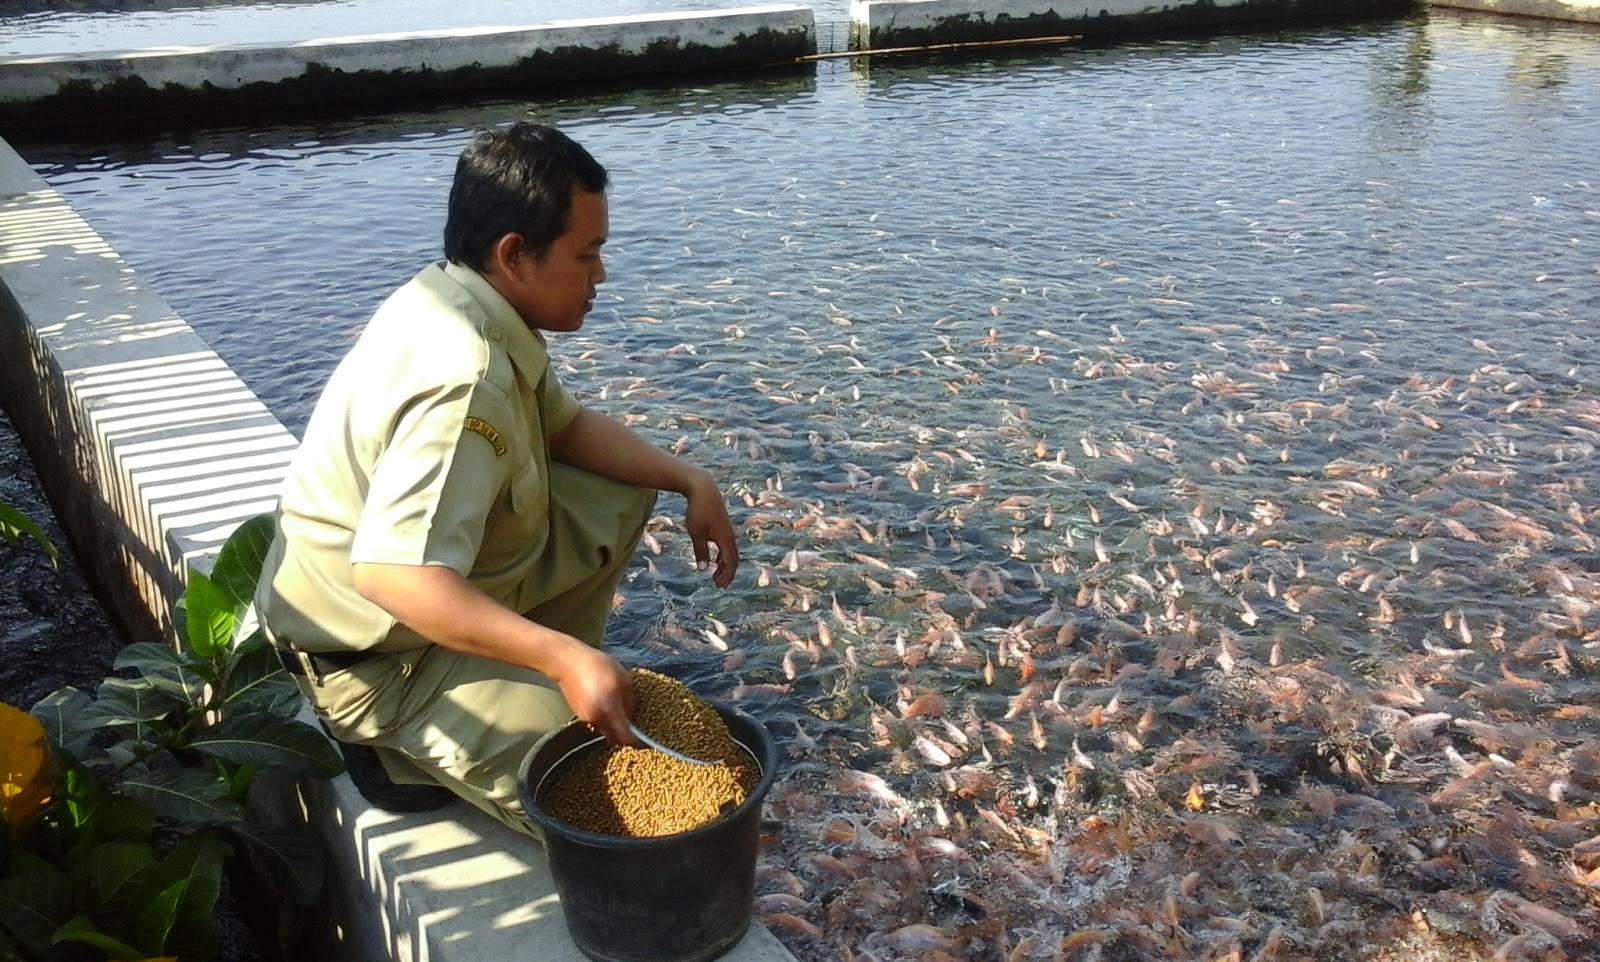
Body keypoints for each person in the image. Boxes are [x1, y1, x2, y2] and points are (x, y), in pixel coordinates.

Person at [254, 122, 740, 835]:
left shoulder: (460, 301)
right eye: (587, 254)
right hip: (375, 662)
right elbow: (394, 577)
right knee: (624, 792)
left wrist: (691, 478)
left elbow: (565, 426)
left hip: (415, 606)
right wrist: (563, 654)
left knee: (618, 488)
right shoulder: (462, 377)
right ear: (516, 254)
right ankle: (397, 744)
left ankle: (521, 668)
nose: (600, 275)